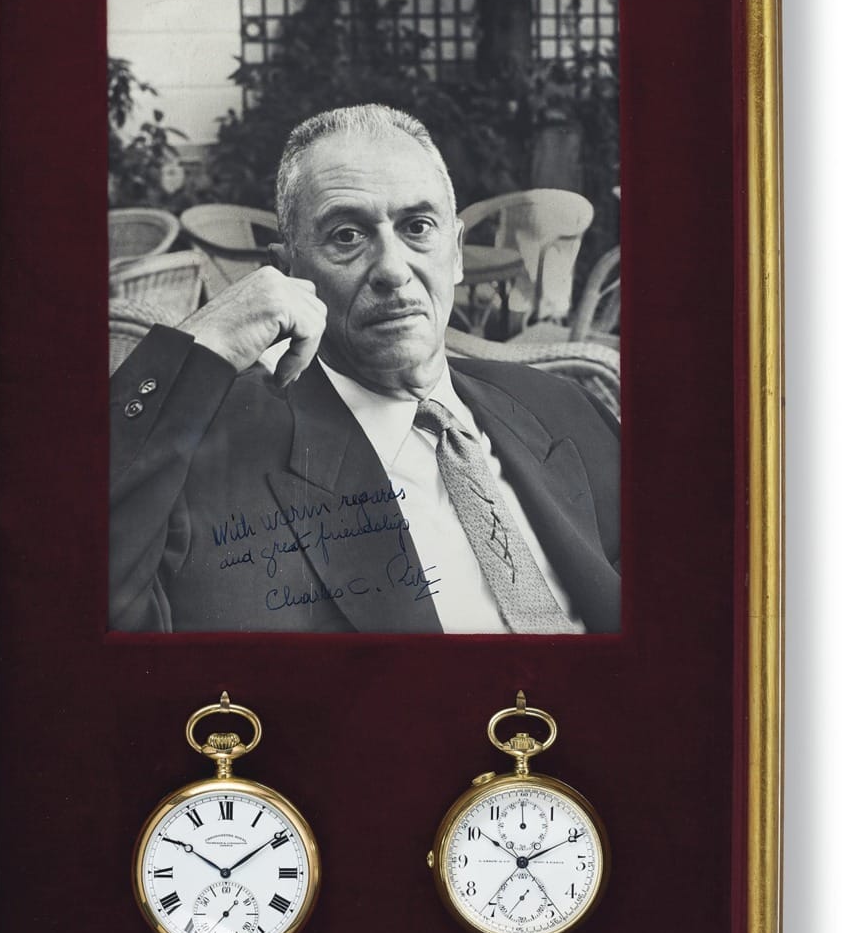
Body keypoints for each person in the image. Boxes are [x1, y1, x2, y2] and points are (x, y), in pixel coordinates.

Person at [109, 105, 620, 634]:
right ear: (288, 270)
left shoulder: (565, 409)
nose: (394, 270)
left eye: (418, 227)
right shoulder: (205, 464)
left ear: (458, 253)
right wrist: (201, 344)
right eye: (347, 236)